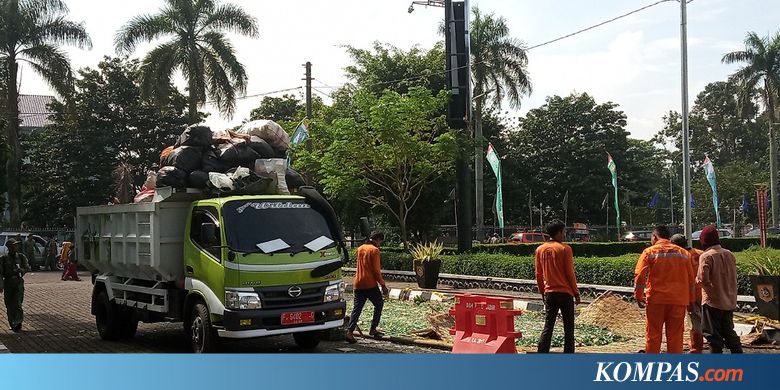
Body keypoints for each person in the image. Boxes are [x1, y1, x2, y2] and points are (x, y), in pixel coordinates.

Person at [634, 225, 695, 354]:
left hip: (656, 300)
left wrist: (638, 296)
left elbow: (640, 276)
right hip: (678, 301)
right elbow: (691, 279)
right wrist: (691, 300)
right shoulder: (684, 253)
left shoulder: (649, 252)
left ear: (654, 237)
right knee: (676, 336)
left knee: (653, 334)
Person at [535, 220, 580, 353]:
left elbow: (538, 274)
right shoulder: (565, 249)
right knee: (568, 328)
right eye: (564, 232)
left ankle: (542, 354)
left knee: (548, 326)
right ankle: (568, 357)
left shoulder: (539, 250)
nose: (564, 235)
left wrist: (542, 292)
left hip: (549, 293)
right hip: (565, 293)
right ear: (559, 232)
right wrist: (576, 293)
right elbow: (570, 273)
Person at [697, 225, 743, 354]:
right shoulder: (730, 254)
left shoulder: (706, 256)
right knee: (729, 332)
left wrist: (696, 280)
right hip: (729, 300)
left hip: (712, 302)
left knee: (712, 335)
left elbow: (703, 280)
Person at [346, 231, 389, 343]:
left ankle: (349, 332)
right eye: (380, 241)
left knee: (357, 309)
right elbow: (376, 270)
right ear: (378, 239)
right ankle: (373, 329)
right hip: (369, 283)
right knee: (379, 304)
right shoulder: (374, 250)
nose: (380, 244)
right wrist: (383, 285)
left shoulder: (360, 248)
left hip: (358, 283)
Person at [670, 233, 705, 354]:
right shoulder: (701, 253)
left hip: (692, 294)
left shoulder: (681, 257)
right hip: (706, 293)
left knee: (694, 322)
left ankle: (696, 348)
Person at [0, 238, 31, 332]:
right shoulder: (3, 258)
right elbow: (0, 273)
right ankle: (12, 322)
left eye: (16, 245)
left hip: (18, 282)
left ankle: (18, 322)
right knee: (9, 304)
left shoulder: (21, 257)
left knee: (17, 303)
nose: (15, 247)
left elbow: (27, 267)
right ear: (9, 247)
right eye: (13, 245)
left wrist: (21, 270)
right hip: (8, 282)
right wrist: (1, 285)